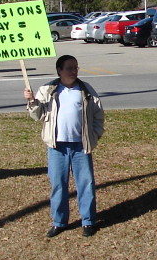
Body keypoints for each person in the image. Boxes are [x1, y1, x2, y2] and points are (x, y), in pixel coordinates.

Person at [24, 55, 106, 238]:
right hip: (56, 146)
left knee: (86, 183)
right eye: (69, 68)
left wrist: (94, 135)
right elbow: (37, 115)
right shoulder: (48, 90)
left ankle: (88, 221)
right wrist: (32, 101)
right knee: (58, 185)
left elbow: (98, 115)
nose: (74, 71)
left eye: (76, 67)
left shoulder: (86, 90)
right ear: (59, 70)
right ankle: (59, 222)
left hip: (80, 146)